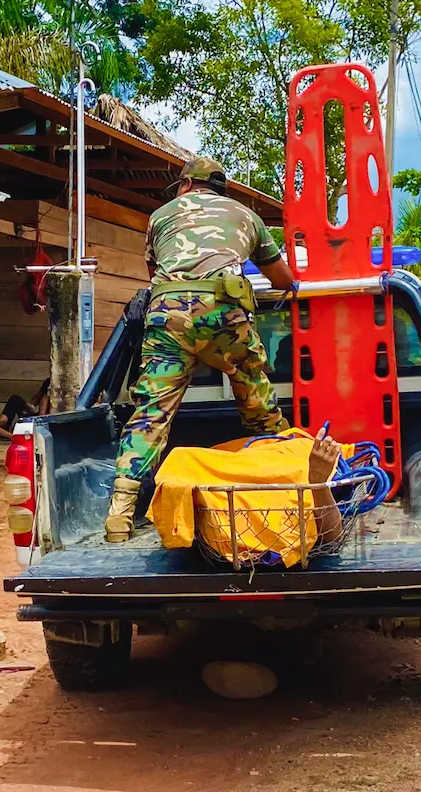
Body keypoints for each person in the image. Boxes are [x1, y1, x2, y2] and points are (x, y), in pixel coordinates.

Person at [103, 156, 297, 542]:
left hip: (167, 314)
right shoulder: (247, 216)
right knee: (255, 394)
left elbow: (155, 274)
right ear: (220, 189)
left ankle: (120, 515)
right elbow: (284, 279)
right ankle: (288, 479)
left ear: (186, 186)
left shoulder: (160, 216)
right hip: (226, 311)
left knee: (151, 412)